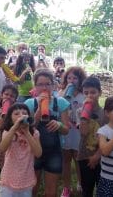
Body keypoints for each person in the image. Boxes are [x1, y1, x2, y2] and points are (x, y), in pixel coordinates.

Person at [24, 68, 70, 197]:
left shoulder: (61, 102)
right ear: (35, 86)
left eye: (47, 84)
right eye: (40, 84)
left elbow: (66, 130)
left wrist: (59, 124)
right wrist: (38, 113)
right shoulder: (29, 103)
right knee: (31, 189)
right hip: (33, 152)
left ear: (53, 85)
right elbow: (26, 129)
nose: (44, 87)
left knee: (51, 192)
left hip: (54, 152)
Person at [0, 103, 42, 196]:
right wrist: (14, 128)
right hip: (8, 179)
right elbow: (2, 148)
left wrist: (27, 132)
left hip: (26, 180)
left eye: (24, 113)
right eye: (16, 114)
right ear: (10, 118)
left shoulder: (34, 132)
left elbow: (38, 153)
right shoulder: (8, 132)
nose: (21, 116)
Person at [58, 67, 87, 197]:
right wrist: (64, 93)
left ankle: (81, 183)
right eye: (69, 78)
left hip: (79, 132)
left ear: (80, 80)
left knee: (78, 158)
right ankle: (66, 187)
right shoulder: (62, 93)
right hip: (66, 130)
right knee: (66, 159)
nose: (72, 80)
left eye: (75, 78)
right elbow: (57, 106)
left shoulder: (84, 94)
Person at [77, 76, 107, 197]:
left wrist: (97, 156)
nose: (90, 95)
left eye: (93, 92)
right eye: (86, 93)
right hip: (84, 156)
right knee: (87, 189)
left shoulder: (105, 113)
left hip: (102, 157)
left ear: (100, 92)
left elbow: (107, 137)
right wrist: (85, 112)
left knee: (102, 189)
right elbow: (83, 132)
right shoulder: (80, 111)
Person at [0, 84, 19, 170]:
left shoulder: (18, 111)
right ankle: (3, 172)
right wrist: (3, 114)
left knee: (14, 158)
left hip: (15, 139)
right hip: (2, 138)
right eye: (6, 94)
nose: (8, 97)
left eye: (12, 96)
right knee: (3, 157)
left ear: (15, 99)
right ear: (2, 95)